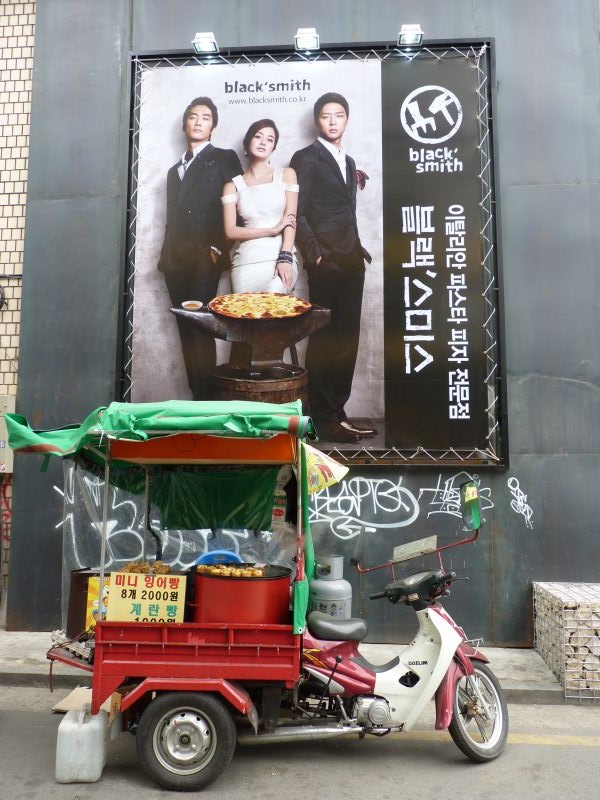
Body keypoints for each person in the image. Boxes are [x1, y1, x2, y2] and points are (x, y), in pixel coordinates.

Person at [290, 92, 376, 443]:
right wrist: (315, 255)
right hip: (326, 263)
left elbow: (344, 210)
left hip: (352, 260)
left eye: (339, 115)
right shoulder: (306, 158)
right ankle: (323, 419)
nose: (333, 121)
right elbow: (298, 211)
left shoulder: (349, 161)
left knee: (347, 340)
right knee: (326, 339)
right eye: (326, 116)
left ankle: (338, 414)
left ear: (347, 119)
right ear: (317, 121)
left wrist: (356, 250)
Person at [158, 96, 242, 399]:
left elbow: (237, 205)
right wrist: (166, 255)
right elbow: (172, 217)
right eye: (193, 117)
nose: (198, 122)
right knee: (185, 329)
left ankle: (208, 400)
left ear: (213, 127)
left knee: (200, 327)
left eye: (205, 118)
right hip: (175, 260)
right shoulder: (174, 171)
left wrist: (217, 248)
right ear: (185, 125)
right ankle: (198, 398)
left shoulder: (223, 157)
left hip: (203, 256)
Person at [221, 119, 298, 294]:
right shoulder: (232, 186)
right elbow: (230, 232)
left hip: (279, 257)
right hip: (245, 263)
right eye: (258, 137)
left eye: (270, 139)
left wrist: (285, 257)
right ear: (248, 142)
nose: (263, 142)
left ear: (273, 148)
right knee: (245, 311)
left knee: (274, 306)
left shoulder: (287, 175)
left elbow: (291, 220)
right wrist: (272, 230)